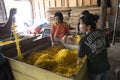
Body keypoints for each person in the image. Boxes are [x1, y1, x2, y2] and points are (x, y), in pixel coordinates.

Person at [77, 12, 110, 80]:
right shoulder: (102, 32)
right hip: (106, 66)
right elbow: (107, 45)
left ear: (88, 27)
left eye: (81, 23)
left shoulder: (83, 40)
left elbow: (80, 59)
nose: (79, 25)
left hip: (95, 70)